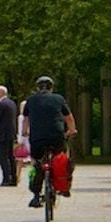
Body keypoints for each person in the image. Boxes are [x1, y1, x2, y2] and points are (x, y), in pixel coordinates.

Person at [22, 76, 76, 209]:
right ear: (52, 88)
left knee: (36, 163)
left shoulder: (31, 100)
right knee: (64, 156)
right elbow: (69, 118)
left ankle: (35, 195)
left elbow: (26, 120)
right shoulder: (59, 99)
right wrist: (72, 130)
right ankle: (64, 186)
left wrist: (24, 132)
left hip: (37, 139)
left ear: (37, 88)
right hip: (57, 137)